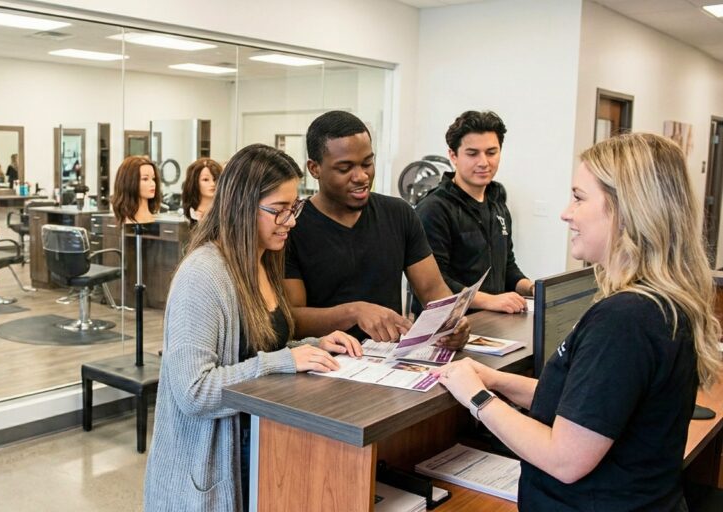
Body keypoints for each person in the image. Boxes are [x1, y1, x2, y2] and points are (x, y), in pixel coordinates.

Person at [436, 133, 723, 511]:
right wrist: (493, 379)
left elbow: (565, 459)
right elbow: (585, 408)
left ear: (628, 209)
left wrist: (476, 397)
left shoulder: (626, 320)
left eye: (579, 197)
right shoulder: (659, 302)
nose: (565, 212)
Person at [144, 144, 362, 512]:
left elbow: (263, 345)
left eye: (294, 208)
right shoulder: (203, 275)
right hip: (213, 468)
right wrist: (287, 361)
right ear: (241, 207)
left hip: (262, 444)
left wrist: (314, 345)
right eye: (278, 211)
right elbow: (194, 391)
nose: (290, 221)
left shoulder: (263, 261)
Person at [283, 110, 469, 346]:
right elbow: (293, 319)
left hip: (388, 359)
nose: (361, 176)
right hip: (325, 363)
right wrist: (354, 312)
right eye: (344, 168)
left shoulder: (398, 213)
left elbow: (433, 290)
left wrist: (451, 321)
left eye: (367, 163)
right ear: (314, 168)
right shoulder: (292, 227)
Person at [415, 111, 532, 314]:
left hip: (493, 326)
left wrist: (532, 288)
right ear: (453, 155)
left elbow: (507, 266)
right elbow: (433, 282)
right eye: (472, 153)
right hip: (448, 329)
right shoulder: (434, 208)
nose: (483, 162)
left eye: (491, 152)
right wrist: (490, 301)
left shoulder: (497, 203)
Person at [112, 155, 161, 224]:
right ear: (129, 182)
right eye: (145, 179)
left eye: (153, 179)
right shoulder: (127, 223)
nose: (153, 184)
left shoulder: (158, 221)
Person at [180, 157, 222, 225]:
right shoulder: (191, 214)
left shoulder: (224, 214)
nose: (213, 184)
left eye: (215, 179)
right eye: (205, 179)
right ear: (194, 182)